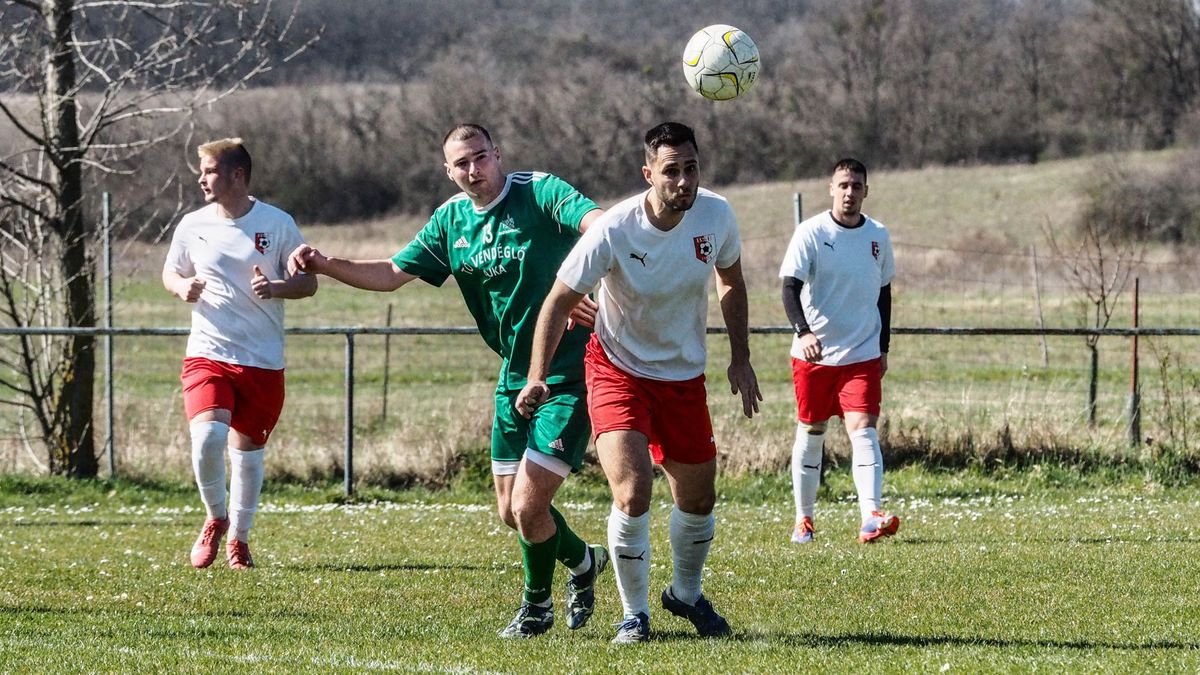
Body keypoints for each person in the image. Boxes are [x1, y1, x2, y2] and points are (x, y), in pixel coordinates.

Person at [287, 124, 607, 639]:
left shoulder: (539, 192)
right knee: (511, 511)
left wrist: (585, 287)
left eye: (481, 158)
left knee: (529, 505)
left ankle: (536, 606)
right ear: (449, 171)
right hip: (512, 378)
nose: (475, 170)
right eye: (463, 164)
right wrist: (325, 265)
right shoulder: (450, 220)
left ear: (498, 154)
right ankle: (584, 562)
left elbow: (599, 225)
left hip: (569, 373)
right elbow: (391, 272)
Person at [517, 121, 761, 644]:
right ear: (649, 173)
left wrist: (740, 357)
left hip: (683, 375)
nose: (684, 181)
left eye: (691, 169)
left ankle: (686, 595)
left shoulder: (716, 214)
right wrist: (537, 375)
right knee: (633, 492)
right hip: (617, 370)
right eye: (671, 171)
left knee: (698, 500)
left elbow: (731, 281)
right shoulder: (615, 228)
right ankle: (635, 614)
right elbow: (558, 299)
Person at [163, 138, 318, 570]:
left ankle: (240, 540)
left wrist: (278, 288)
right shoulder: (192, 225)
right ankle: (215, 517)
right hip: (208, 354)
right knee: (208, 437)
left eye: (210, 170)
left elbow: (308, 284)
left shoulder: (278, 223)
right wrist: (181, 287)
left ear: (237, 175)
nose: (201, 178)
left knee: (247, 455)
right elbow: (170, 271)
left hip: (263, 360)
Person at [779, 157, 899, 545]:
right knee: (812, 431)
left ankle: (870, 516)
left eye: (857, 186)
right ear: (831, 188)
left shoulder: (878, 236)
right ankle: (804, 520)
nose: (850, 192)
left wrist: (882, 347)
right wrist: (804, 331)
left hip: (861, 354)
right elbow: (788, 287)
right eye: (843, 185)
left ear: (866, 190)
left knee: (863, 430)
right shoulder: (811, 232)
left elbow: (884, 294)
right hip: (814, 355)